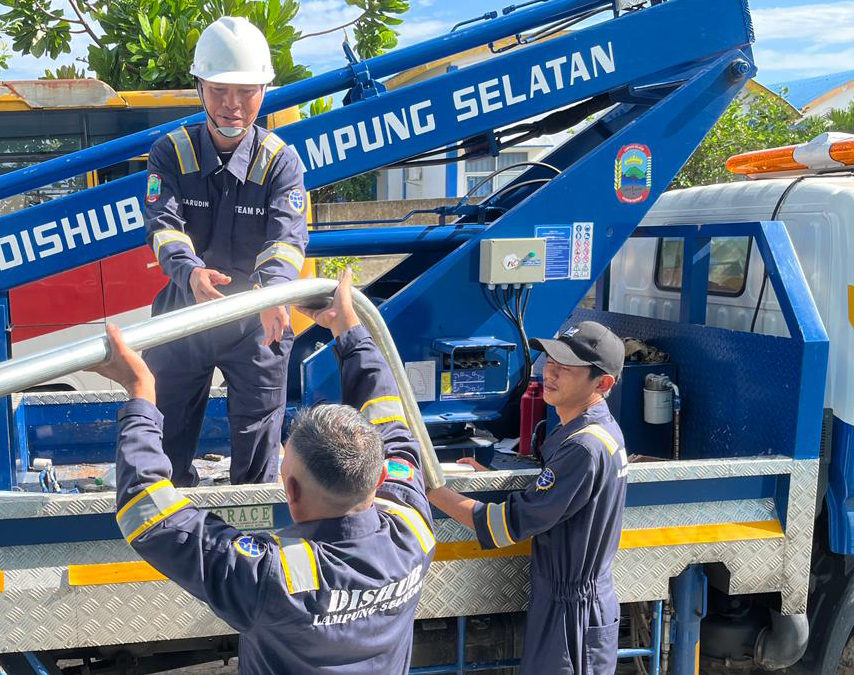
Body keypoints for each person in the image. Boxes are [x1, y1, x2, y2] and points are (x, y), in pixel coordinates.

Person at [91, 271, 436, 674]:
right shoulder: (412, 528)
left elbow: (149, 512)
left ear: (289, 489)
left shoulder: (272, 579)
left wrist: (142, 391)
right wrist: (350, 330)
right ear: (379, 480)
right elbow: (390, 421)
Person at [142, 15, 308, 487]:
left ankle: (250, 540)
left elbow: (287, 237)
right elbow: (163, 225)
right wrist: (190, 272)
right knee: (165, 438)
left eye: (246, 91)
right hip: (184, 313)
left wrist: (275, 292)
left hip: (255, 318)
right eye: (219, 90)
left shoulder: (280, 161)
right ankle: (172, 531)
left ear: (264, 92)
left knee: (258, 451)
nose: (232, 105)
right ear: (200, 87)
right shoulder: (170, 152)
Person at [427, 321, 629, 675]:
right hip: (570, 601)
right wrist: (492, 480)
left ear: (603, 382)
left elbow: (506, 527)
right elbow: (558, 500)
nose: (550, 373)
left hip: (572, 613)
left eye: (565, 369)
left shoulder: (584, 446)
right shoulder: (592, 430)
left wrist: (430, 489)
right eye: (550, 362)